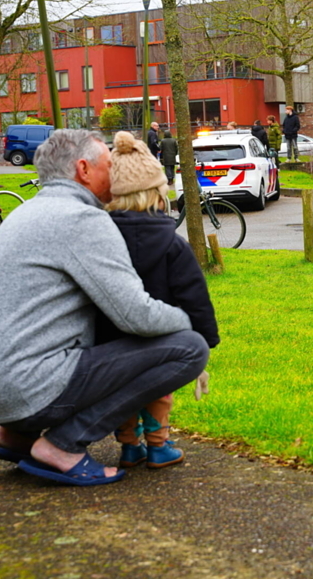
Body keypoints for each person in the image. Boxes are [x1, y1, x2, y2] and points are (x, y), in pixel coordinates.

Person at [0, 129, 209, 486]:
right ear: (83, 169)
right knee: (189, 349)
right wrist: (187, 322)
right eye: (109, 165)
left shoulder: (25, 212)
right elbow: (136, 315)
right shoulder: (81, 220)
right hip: (31, 389)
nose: (116, 173)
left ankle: (16, 436)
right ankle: (63, 446)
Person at [98, 131, 219, 469]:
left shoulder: (99, 240)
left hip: (110, 339)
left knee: (122, 393)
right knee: (156, 390)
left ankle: (129, 446)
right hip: (160, 338)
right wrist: (205, 339)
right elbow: (194, 294)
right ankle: (158, 445)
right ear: (158, 192)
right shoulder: (172, 244)